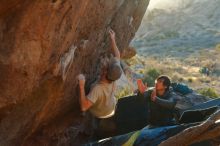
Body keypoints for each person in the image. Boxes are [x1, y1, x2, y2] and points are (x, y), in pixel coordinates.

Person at [77, 29, 122, 135]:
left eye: (105, 68)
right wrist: (113, 39)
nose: (104, 67)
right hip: (111, 107)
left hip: (99, 113)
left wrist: (82, 85)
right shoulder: (115, 73)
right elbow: (118, 56)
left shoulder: (98, 89)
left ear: (105, 73)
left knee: (85, 95)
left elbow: (84, 107)